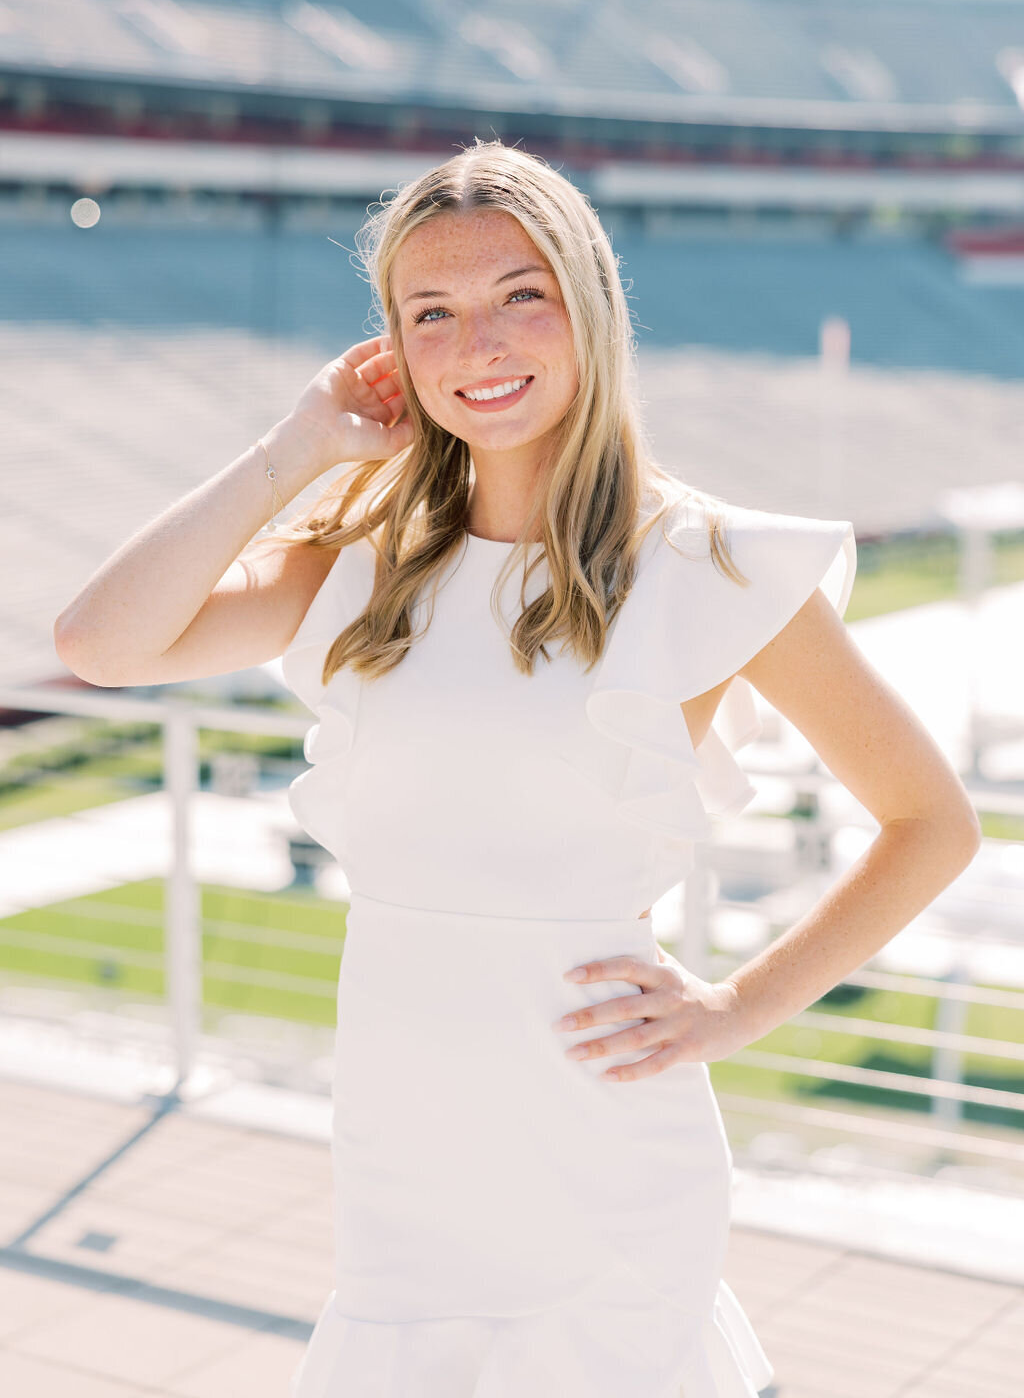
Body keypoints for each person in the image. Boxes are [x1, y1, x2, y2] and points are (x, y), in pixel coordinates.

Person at [54, 139, 982, 1398]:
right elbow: (99, 644)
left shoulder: (706, 567)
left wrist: (740, 1008)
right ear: (390, 350)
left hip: (601, 1160)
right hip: (401, 1159)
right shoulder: (365, 557)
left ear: (589, 309)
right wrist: (293, 451)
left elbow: (929, 821)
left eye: (517, 296)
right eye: (429, 314)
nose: (476, 346)